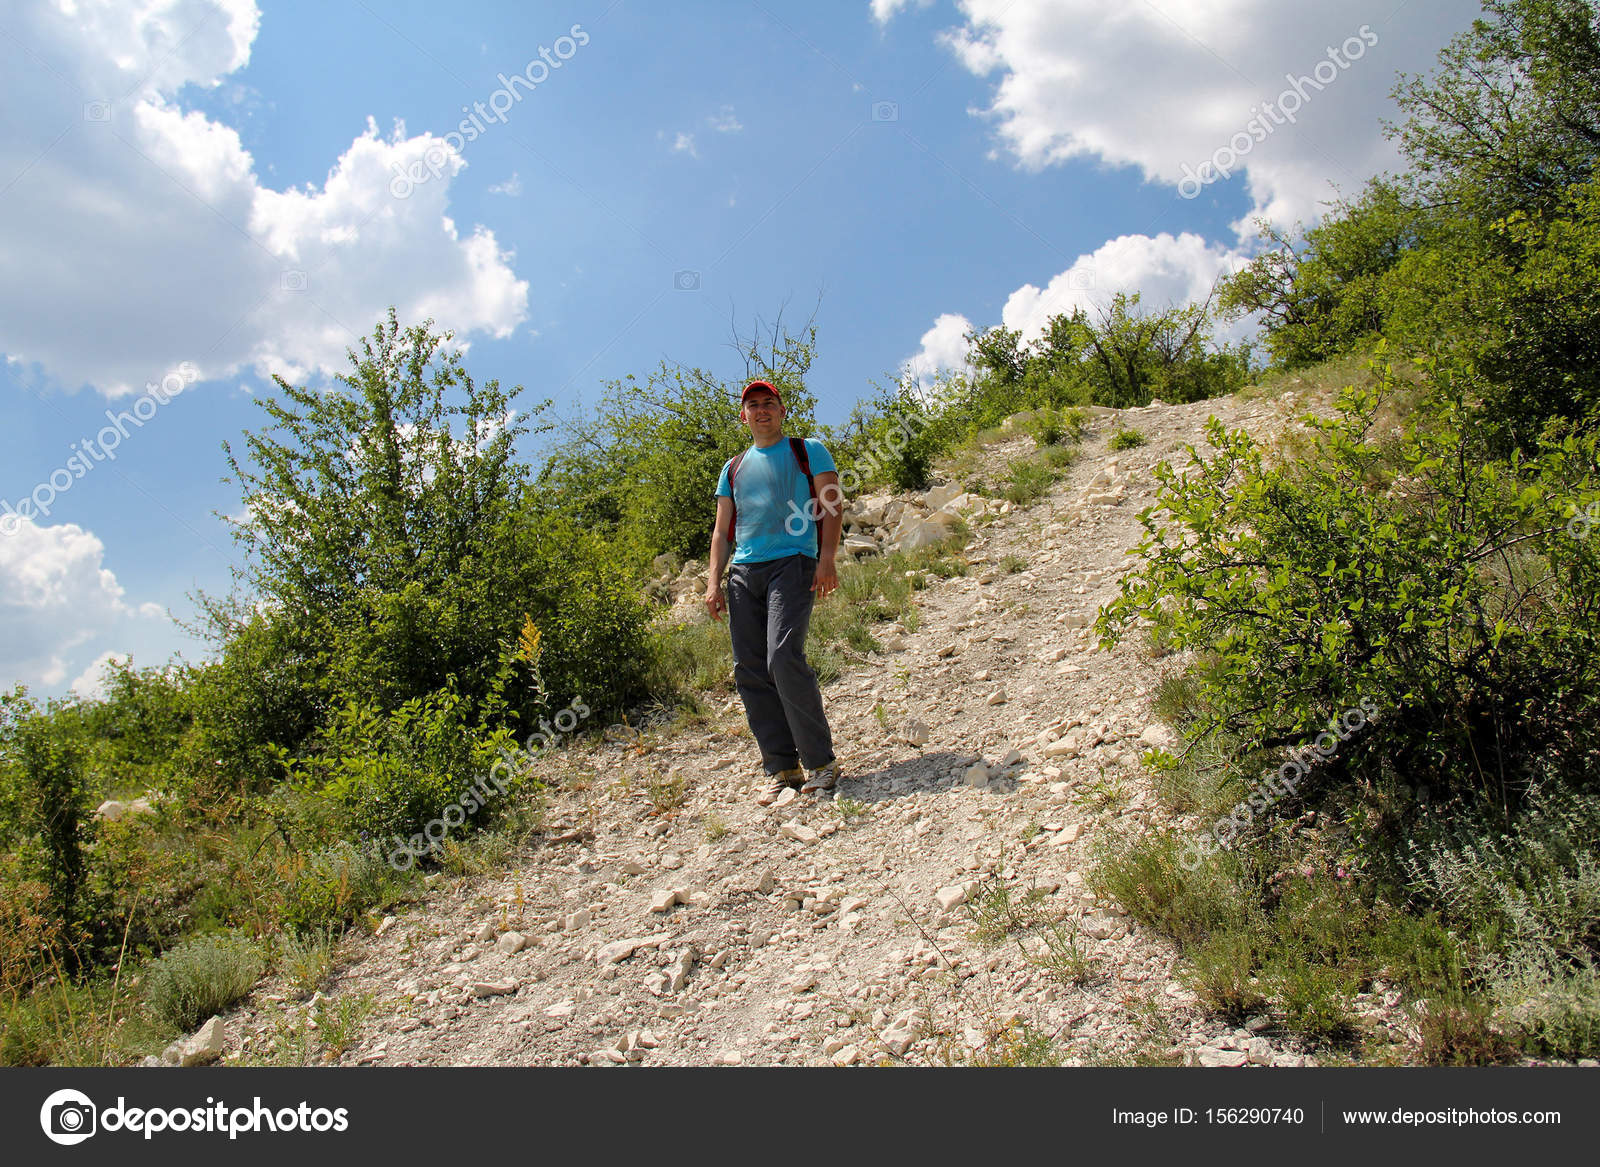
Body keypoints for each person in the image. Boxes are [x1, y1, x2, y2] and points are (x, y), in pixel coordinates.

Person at [705, 379, 844, 804]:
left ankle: (821, 764)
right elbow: (721, 529)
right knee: (749, 668)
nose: (761, 410)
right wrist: (714, 581)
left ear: (782, 411)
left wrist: (826, 560)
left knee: (782, 656)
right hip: (745, 572)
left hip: (793, 562)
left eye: (769, 403)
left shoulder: (808, 450)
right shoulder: (733, 468)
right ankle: (782, 768)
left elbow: (831, 503)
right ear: (743, 416)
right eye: (753, 405)